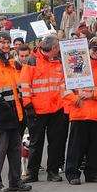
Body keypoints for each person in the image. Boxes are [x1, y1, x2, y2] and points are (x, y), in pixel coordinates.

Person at [0, 31, 31, 192]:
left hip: (13, 113)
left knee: (15, 150)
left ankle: (15, 182)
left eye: (8, 42)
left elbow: (15, 89)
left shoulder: (8, 62)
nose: (6, 45)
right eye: (2, 42)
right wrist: (5, 107)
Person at [63, 39, 97, 185]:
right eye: (94, 49)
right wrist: (74, 99)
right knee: (75, 147)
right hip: (78, 113)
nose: (96, 52)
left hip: (96, 114)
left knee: (94, 147)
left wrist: (93, 94)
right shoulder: (75, 66)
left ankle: (92, 173)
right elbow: (64, 88)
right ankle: (72, 174)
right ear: (88, 50)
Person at [20, 35, 66, 183]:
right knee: (36, 142)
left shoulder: (59, 61)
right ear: (53, 48)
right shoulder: (32, 61)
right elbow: (25, 84)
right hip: (37, 110)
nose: (59, 50)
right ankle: (32, 173)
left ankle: (52, 172)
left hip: (56, 108)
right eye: (57, 47)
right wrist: (28, 105)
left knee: (55, 142)